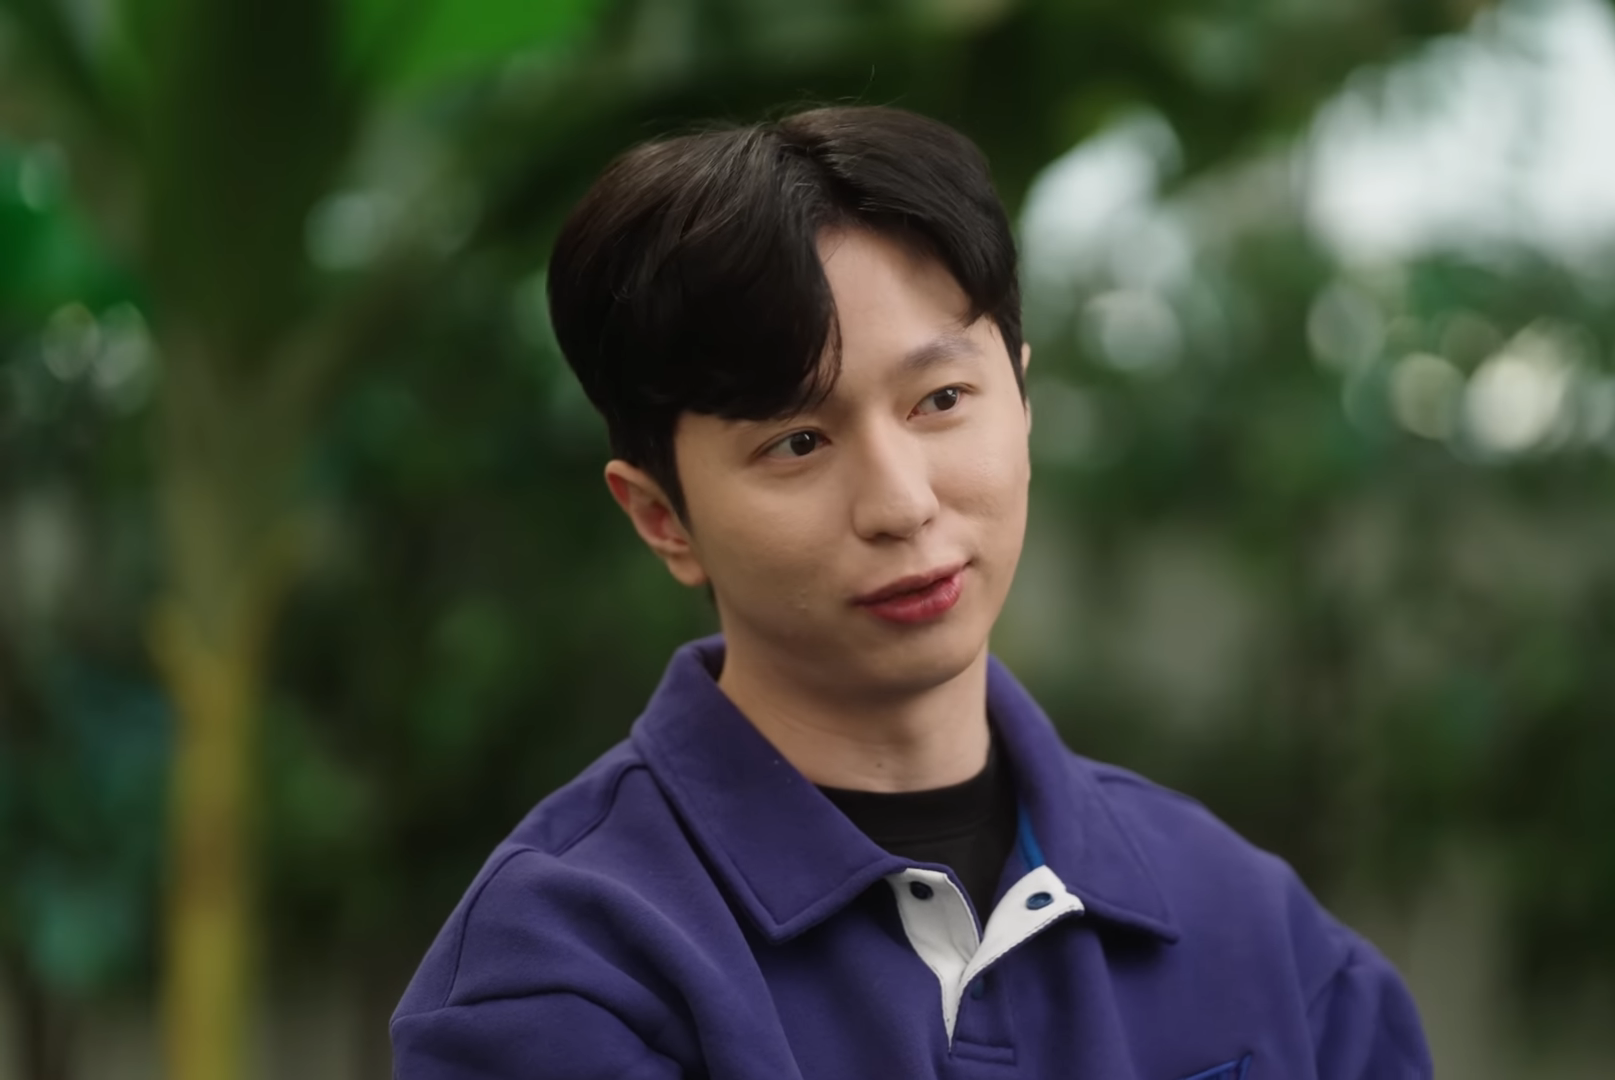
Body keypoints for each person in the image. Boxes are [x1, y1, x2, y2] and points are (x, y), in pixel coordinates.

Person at [390, 105, 1431, 1080]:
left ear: (1024, 401)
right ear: (664, 518)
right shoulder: (562, 976)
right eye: (798, 443)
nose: (901, 503)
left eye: (941, 399)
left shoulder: (1257, 935)